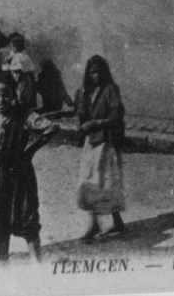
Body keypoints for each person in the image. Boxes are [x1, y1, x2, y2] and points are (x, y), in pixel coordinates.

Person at [0, 76, 58, 263]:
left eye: (5, 95)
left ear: (13, 95)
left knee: (28, 217)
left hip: (20, 175)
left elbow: (51, 128)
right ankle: (3, 266)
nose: (1, 100)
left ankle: (37, 265)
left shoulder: (23, 115)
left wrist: (31, 151)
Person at [75, 55, 128, 242]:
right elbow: (82, 115)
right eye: (91, 73)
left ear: (104, 72)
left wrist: (96, 123)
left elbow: (116, 115)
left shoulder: (110, 90)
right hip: (91, 142)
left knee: (101, 182)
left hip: (106, 142)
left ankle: (97, 223)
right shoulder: (86, 92)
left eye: (98, 72)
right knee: (94, 181)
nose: (95, 76)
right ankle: (111, 221)